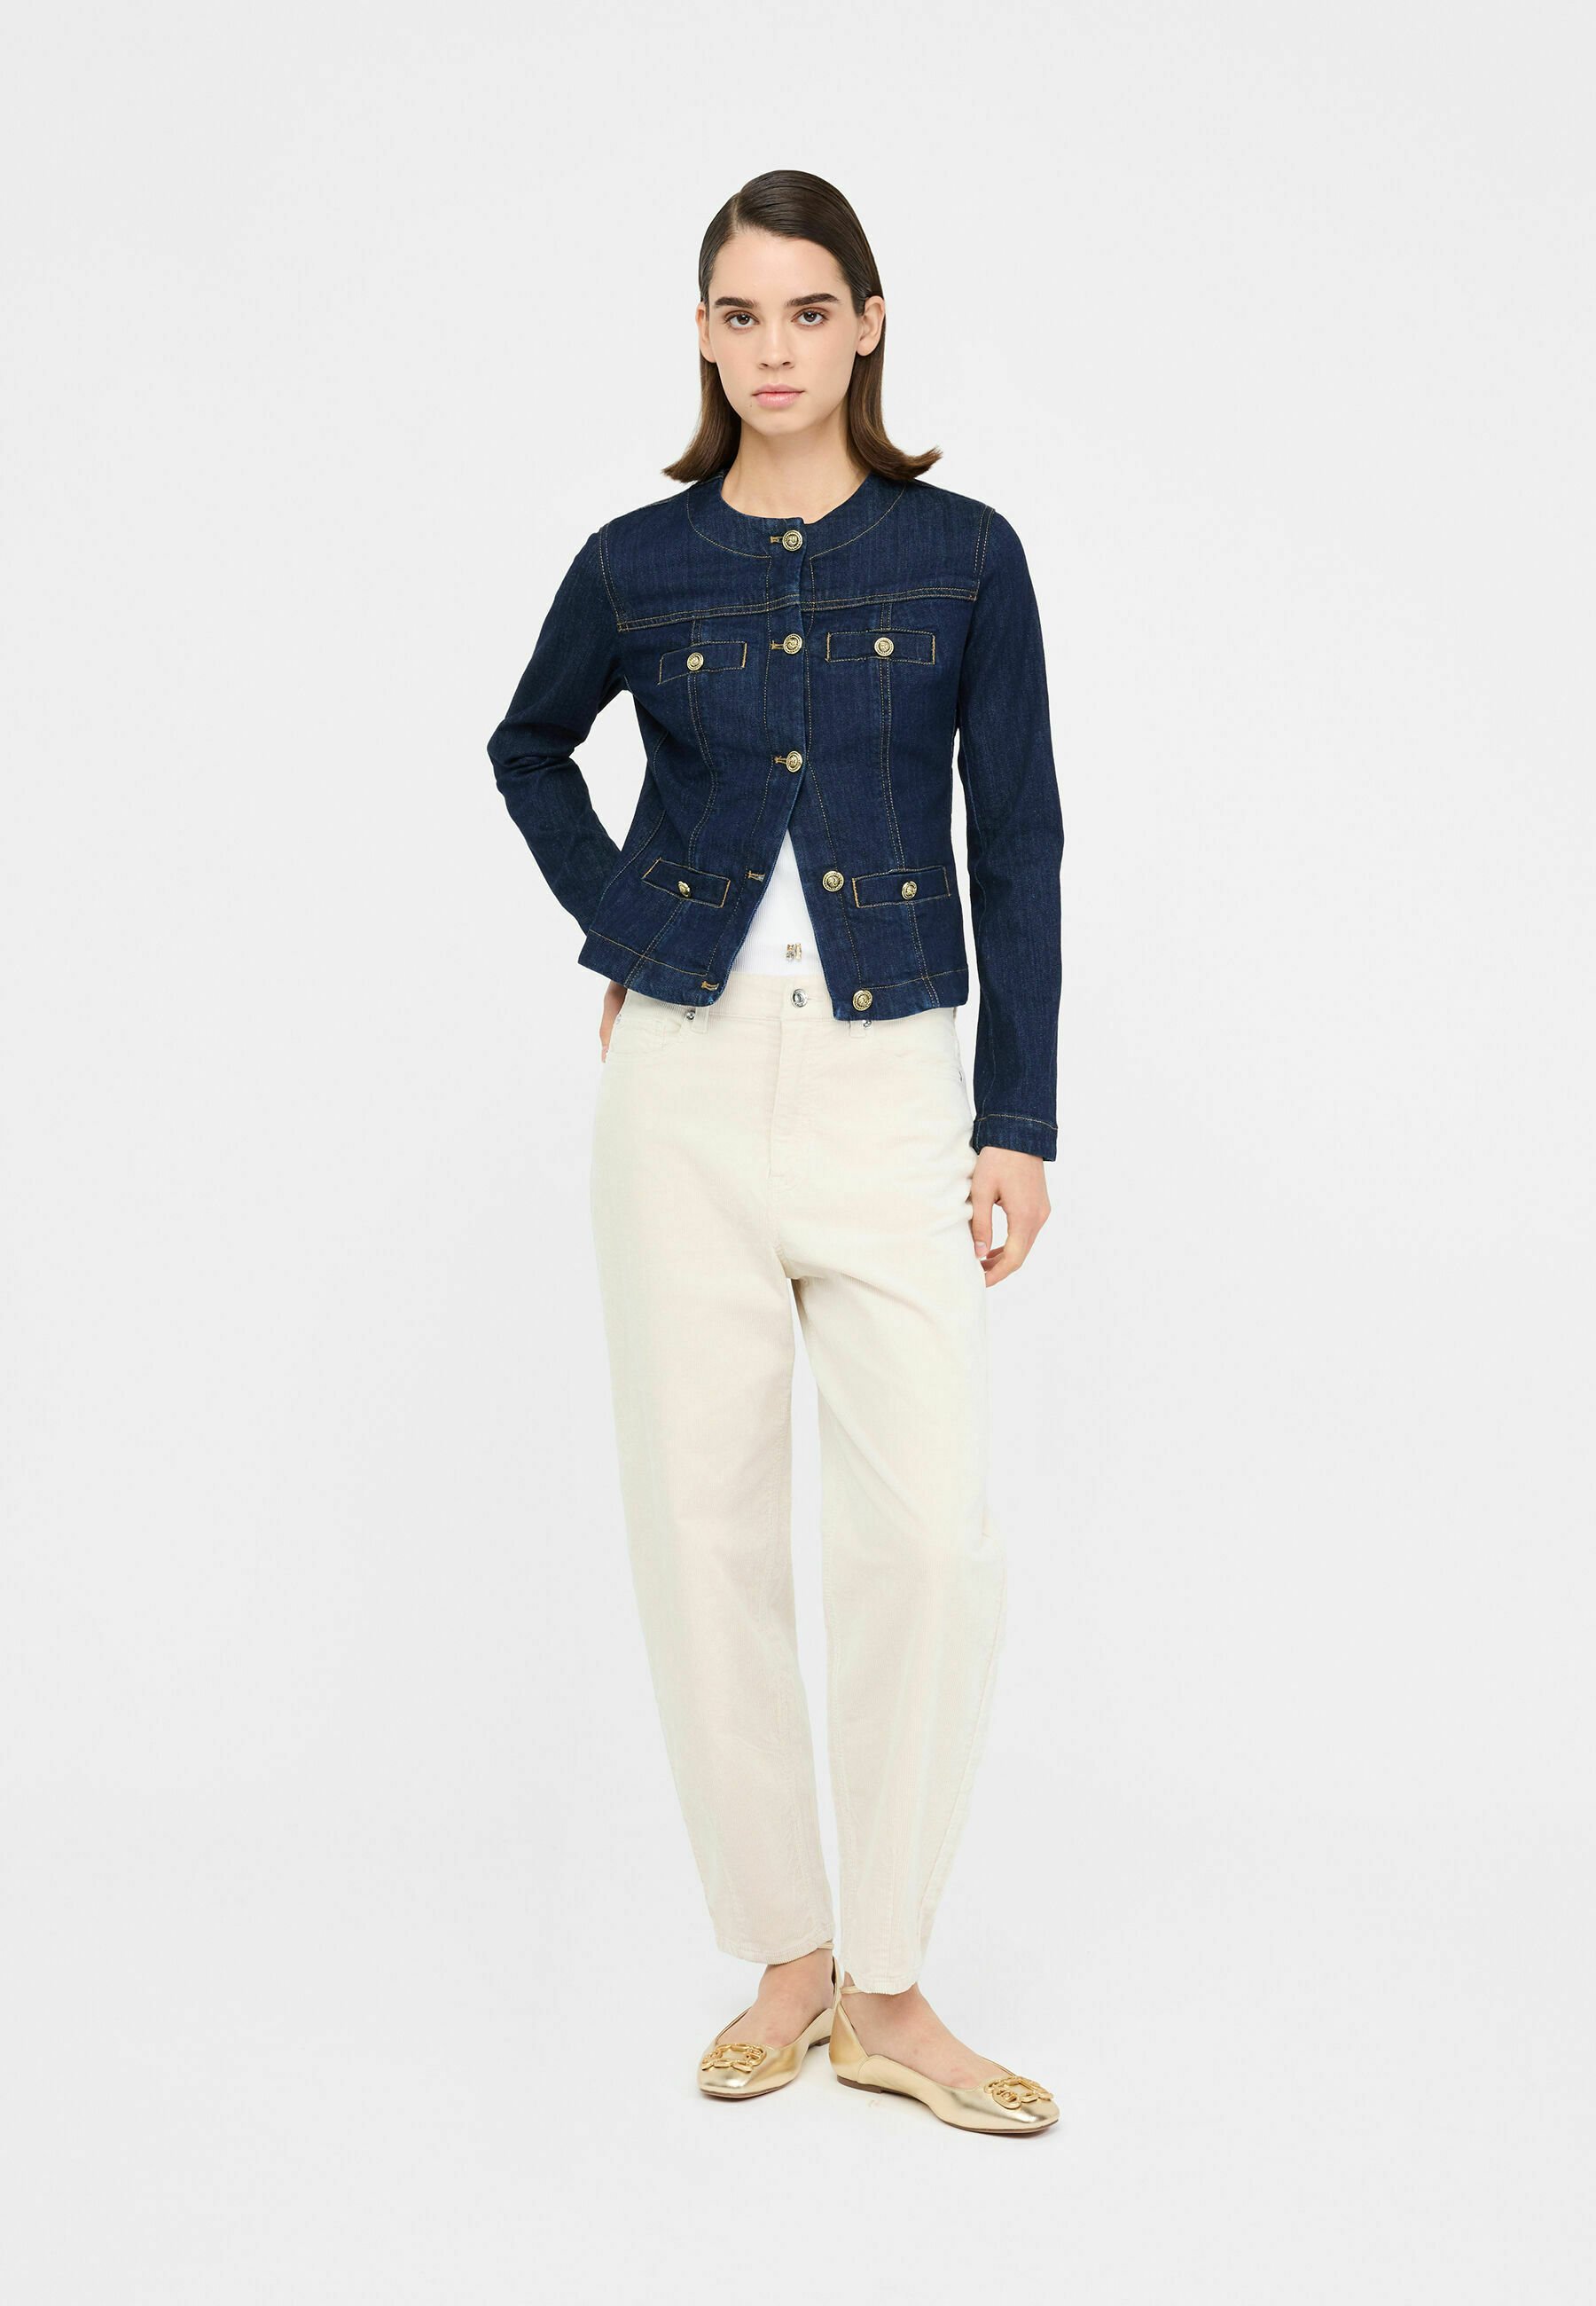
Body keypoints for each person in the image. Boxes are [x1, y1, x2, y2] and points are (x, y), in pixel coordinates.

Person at [485, 169, 1064, 2137]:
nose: (775, 348)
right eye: (740, 314)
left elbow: (1021, 841)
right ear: (705, 337)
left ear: (869, 324)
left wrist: (1017, 1119)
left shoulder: (966, 557)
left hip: (897, 1087)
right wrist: (631, 924)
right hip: (685, 1091)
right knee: (704, 1524)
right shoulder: (638, 564)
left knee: (930, 1539)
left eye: (810, 310)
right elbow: (528, 746)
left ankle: (890, 1984)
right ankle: (789, 1956)